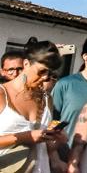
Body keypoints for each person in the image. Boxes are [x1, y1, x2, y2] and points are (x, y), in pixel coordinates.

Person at [0, 40, 66, 173]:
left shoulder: (47, 99)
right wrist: (26, 137)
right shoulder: (2, 94)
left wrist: (56, 140)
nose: (45, 78)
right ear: (26, 63)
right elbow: (30, 136)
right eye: (41, 71)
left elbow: (44, 147)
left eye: (50, 73)